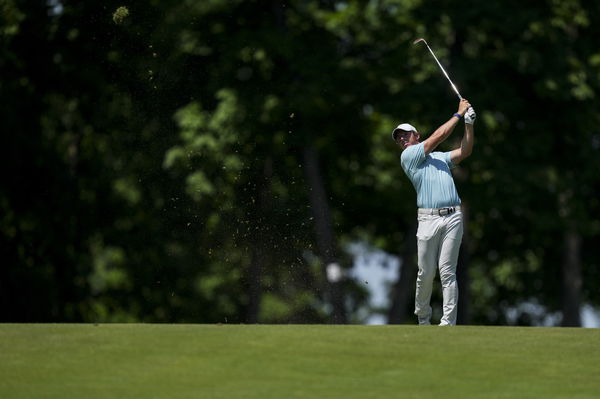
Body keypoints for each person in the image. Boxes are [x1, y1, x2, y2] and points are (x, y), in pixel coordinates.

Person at [392, 99, 476, 326]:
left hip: (453, 217)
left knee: (447, 271)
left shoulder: (440, 158)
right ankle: (423, 318)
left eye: (405, 135)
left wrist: (469, 124)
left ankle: (448, 322)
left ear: (416, 135)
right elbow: (438, 136)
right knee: (425, 273)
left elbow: (465, 151)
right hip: (427, 219)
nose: (401, 139)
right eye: (399, 137)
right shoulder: (408, 157)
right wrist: (458, 115)